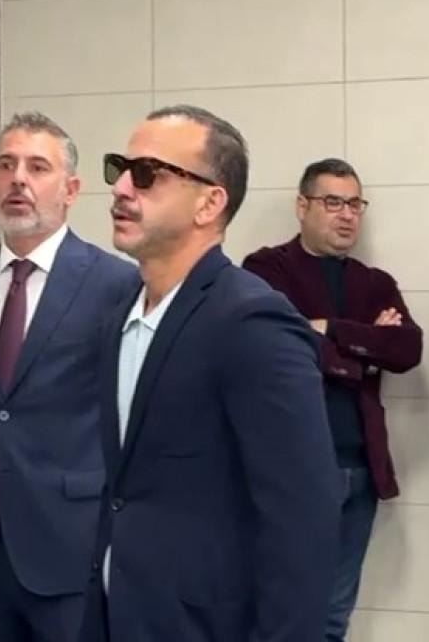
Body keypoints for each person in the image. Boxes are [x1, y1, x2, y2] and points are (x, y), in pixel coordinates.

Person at [78, 105, 341, 642]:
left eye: (147, 174)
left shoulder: (252, 323)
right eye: (119, 169)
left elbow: (303, 521)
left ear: (210, 202)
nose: (122, 188)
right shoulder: (119, 313)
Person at [0, 112, 139, 640]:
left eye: (37, 167)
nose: (18, 179)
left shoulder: (116, 285)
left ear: (71, 189)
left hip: (72, 545)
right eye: (6, 165)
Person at [243, 157, 422, 641]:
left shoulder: (375, 283)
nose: (347, 215)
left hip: (359, 470)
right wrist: (364, 353)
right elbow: (275, 347)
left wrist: (329, 329)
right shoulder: (266, 269)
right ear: (302, 206)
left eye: (355, 204)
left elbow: (407, 349)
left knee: (332, 617)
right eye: (333, 202)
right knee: (281, 609)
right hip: (290, 469)